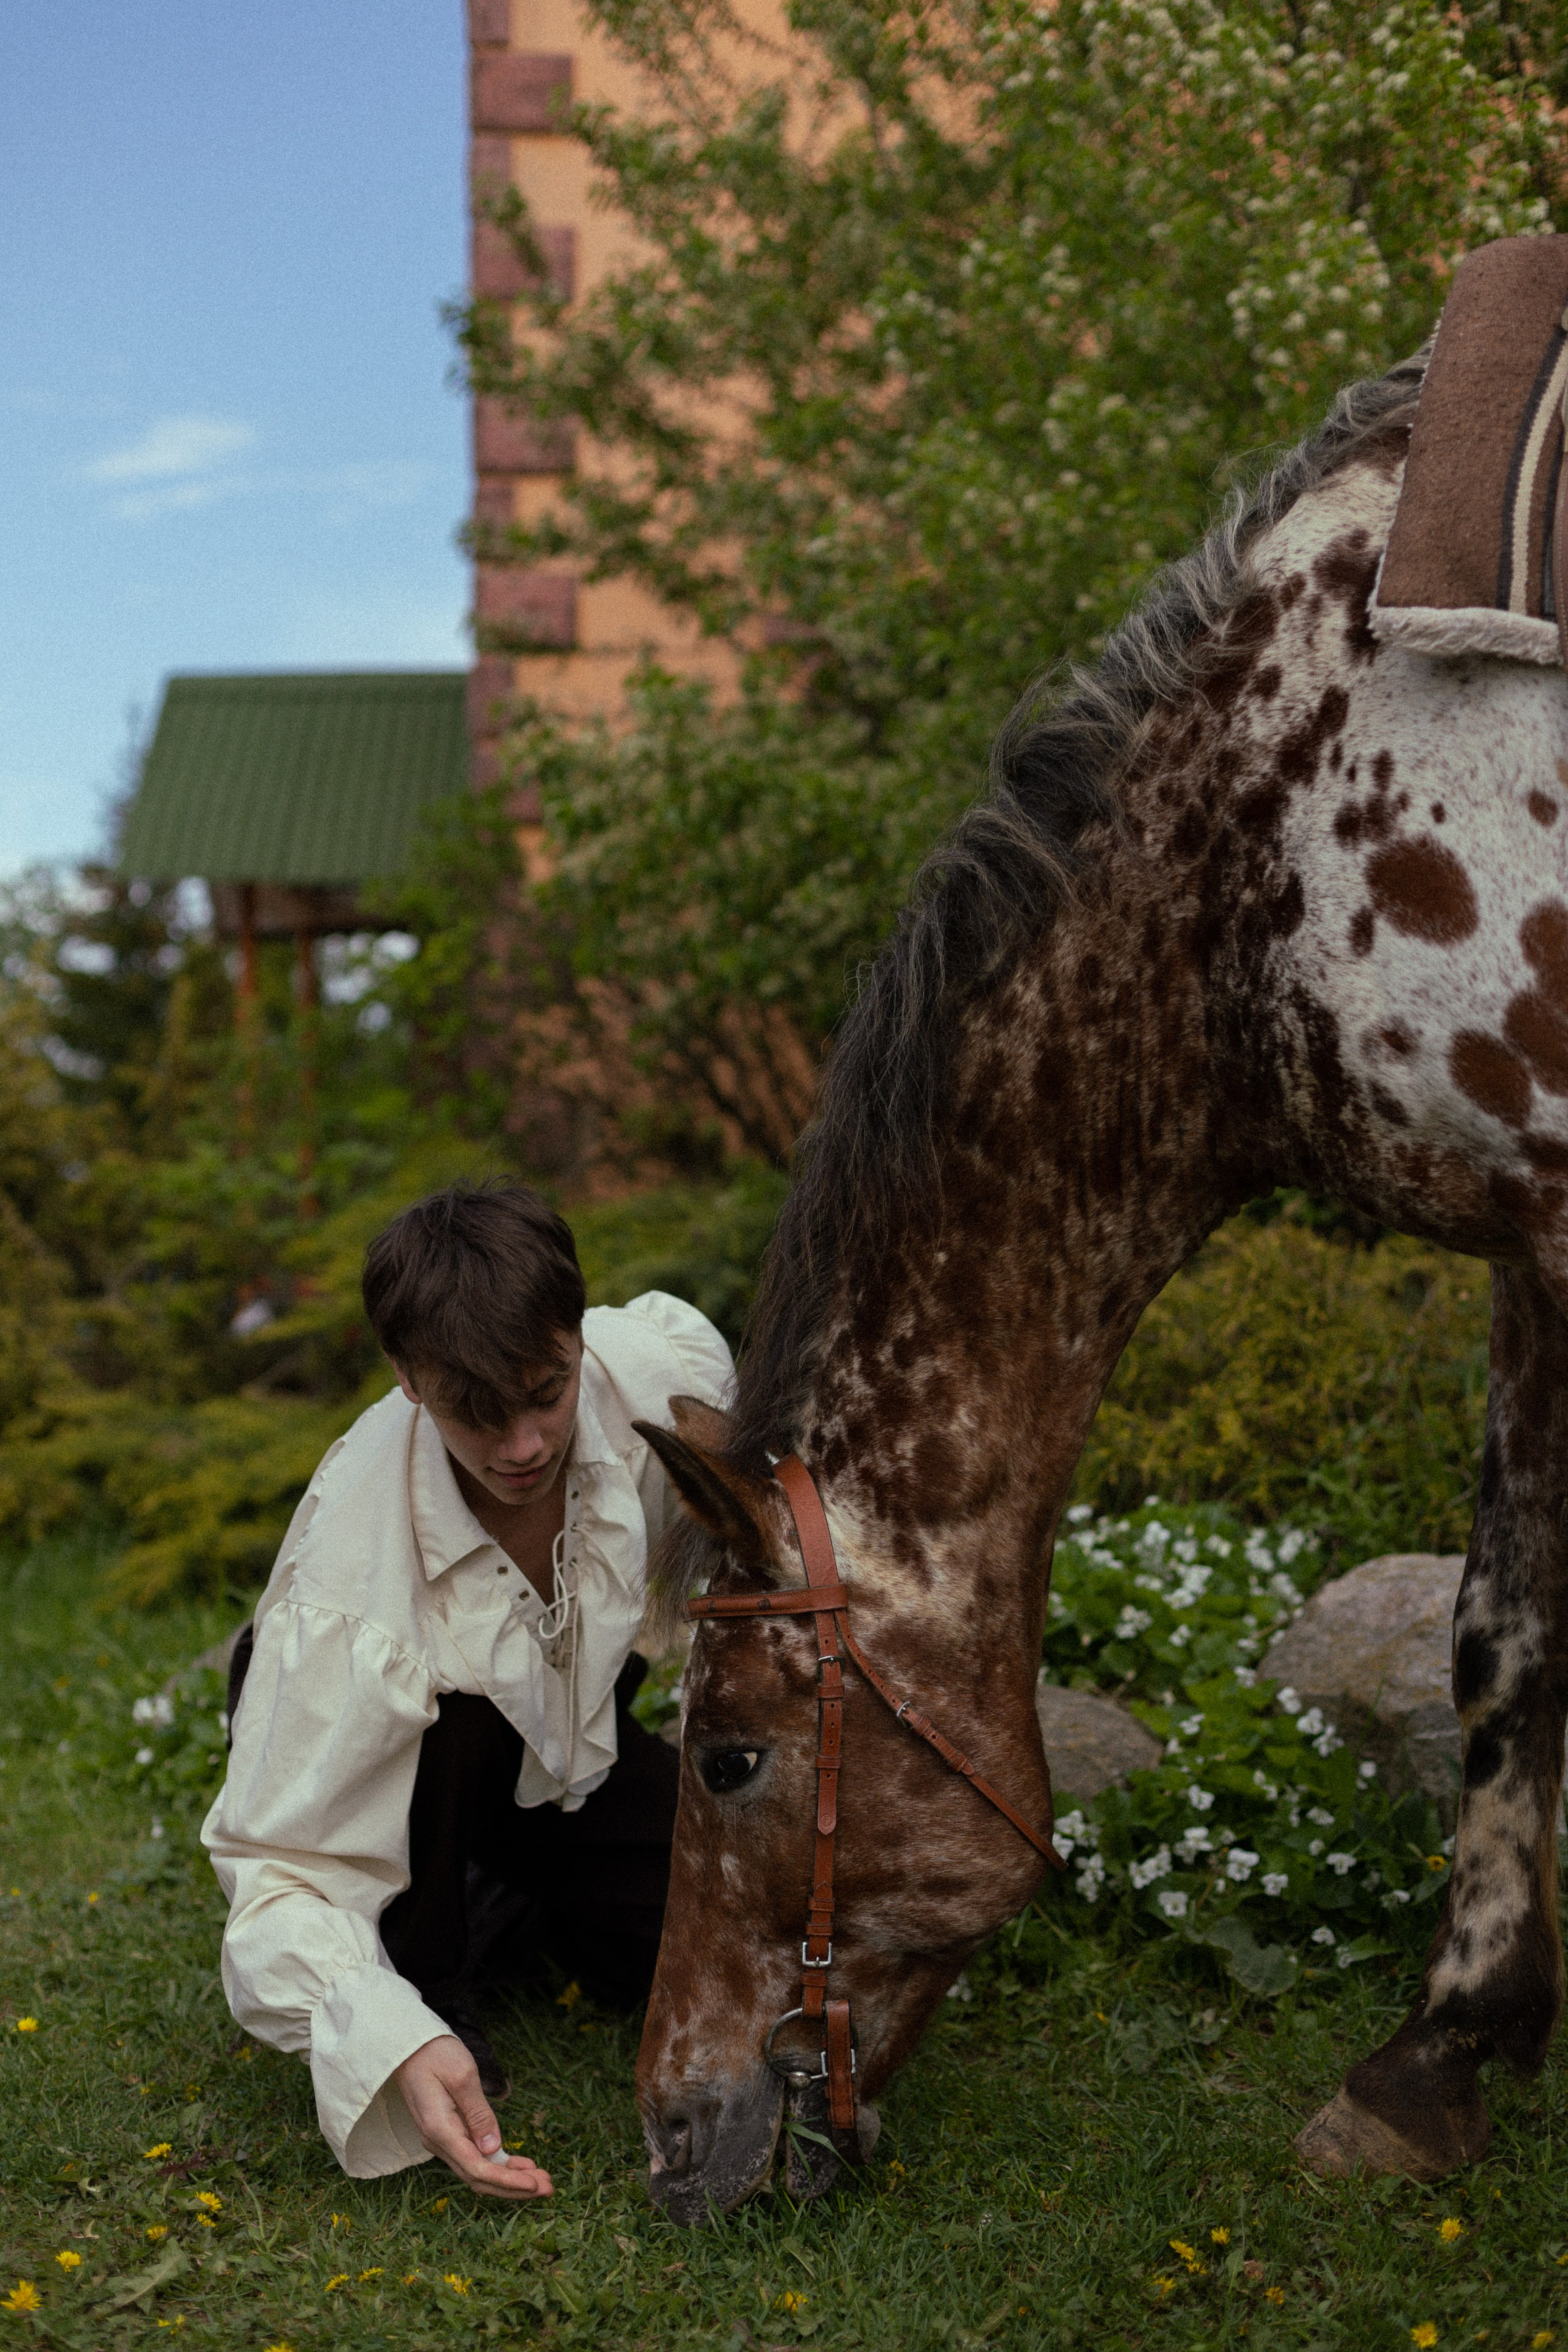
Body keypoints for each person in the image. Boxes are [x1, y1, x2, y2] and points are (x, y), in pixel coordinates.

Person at [202, 1182, 732, 2198]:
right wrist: (391, 2036)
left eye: (546, 1392)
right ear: (408, 1378)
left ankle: (493, 1893)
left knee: (672, 1936)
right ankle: (430, 1962)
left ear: (577, 1336)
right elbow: (281, 1874)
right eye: (475, 1414)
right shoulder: (351, 1600)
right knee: (441, 1758)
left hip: (572, 1738)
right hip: (398, 1758)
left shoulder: (659, 1380)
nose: (523, 1446)